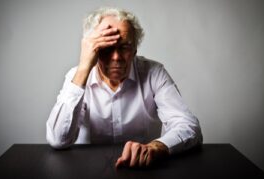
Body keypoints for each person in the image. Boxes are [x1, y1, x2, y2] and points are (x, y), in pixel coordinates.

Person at [46, 7, 203, 168]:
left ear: (135, 49)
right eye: (106, 47)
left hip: (143, 170)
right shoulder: (77, 76)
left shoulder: (154, 73)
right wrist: (84, 66)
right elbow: (58, 140)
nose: (116, 57)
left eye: (124, 47)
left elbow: (188, 126)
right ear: (93, 48)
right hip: (87, 170)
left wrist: (157, 146)